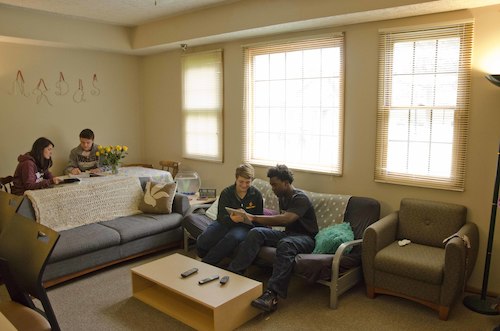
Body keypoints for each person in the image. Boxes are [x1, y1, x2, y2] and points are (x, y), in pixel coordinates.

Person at [227, 164, 318, 312]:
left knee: (285, 244)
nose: (272, 188)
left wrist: (254, 217)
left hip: (306, 239)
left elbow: (285, 220)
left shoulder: (300, 198)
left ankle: (272, 295)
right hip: (289, 235)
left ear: (286, 183)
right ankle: (235, 272)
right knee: (256, 232)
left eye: (275, 185)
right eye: (271, 185)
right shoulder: (282, 197)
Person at [194, 163, 264, 266]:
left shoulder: (256, 195)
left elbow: (259, 217)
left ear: (252, 181)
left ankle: (206, 264)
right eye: (241, 182)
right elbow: (220, 217)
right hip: (226, 222)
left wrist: (249, 218)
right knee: (205, 238)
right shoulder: (226, 193)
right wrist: (232, 219)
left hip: (245, 226)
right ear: (236, 179)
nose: (244, 185)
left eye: (248, 182)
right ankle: (202, 254)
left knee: (232, 237)